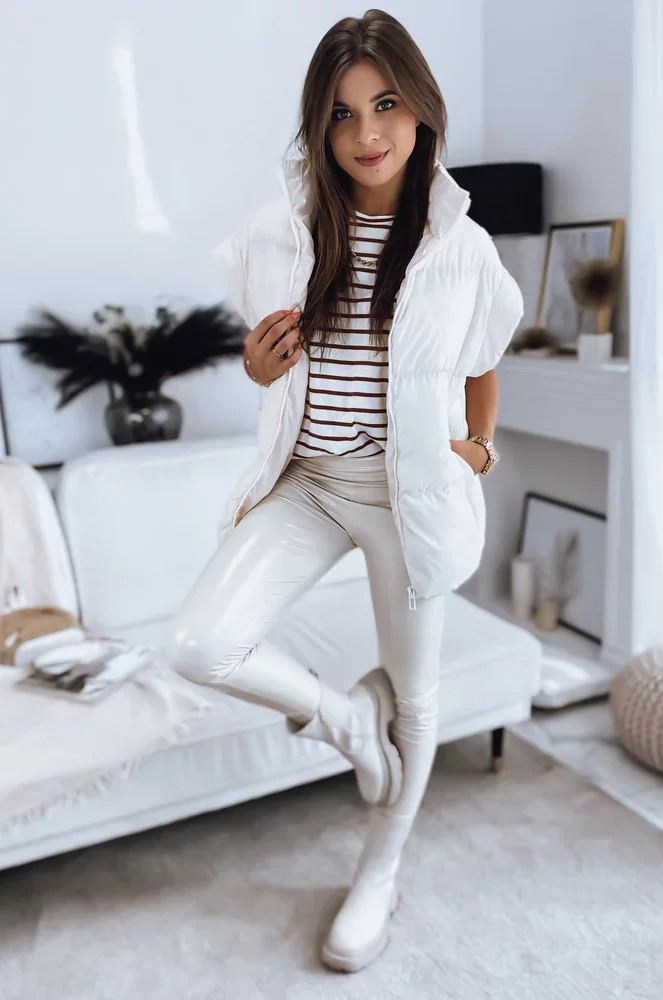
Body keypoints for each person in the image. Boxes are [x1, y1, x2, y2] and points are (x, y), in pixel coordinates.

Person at [166, 8, 523, 975]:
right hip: (310, 484)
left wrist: (478, 450)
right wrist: (254, 367)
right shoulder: (280, 233)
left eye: (386, 104)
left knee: (417, 697)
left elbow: (483, 361)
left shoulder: (461, 246)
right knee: (198, 643)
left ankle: (382, 868)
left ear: (422, 109)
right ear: (319, 127)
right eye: (341, 113)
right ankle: (343, 720)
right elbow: (267, 366)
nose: (366, 132)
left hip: (408, 496)